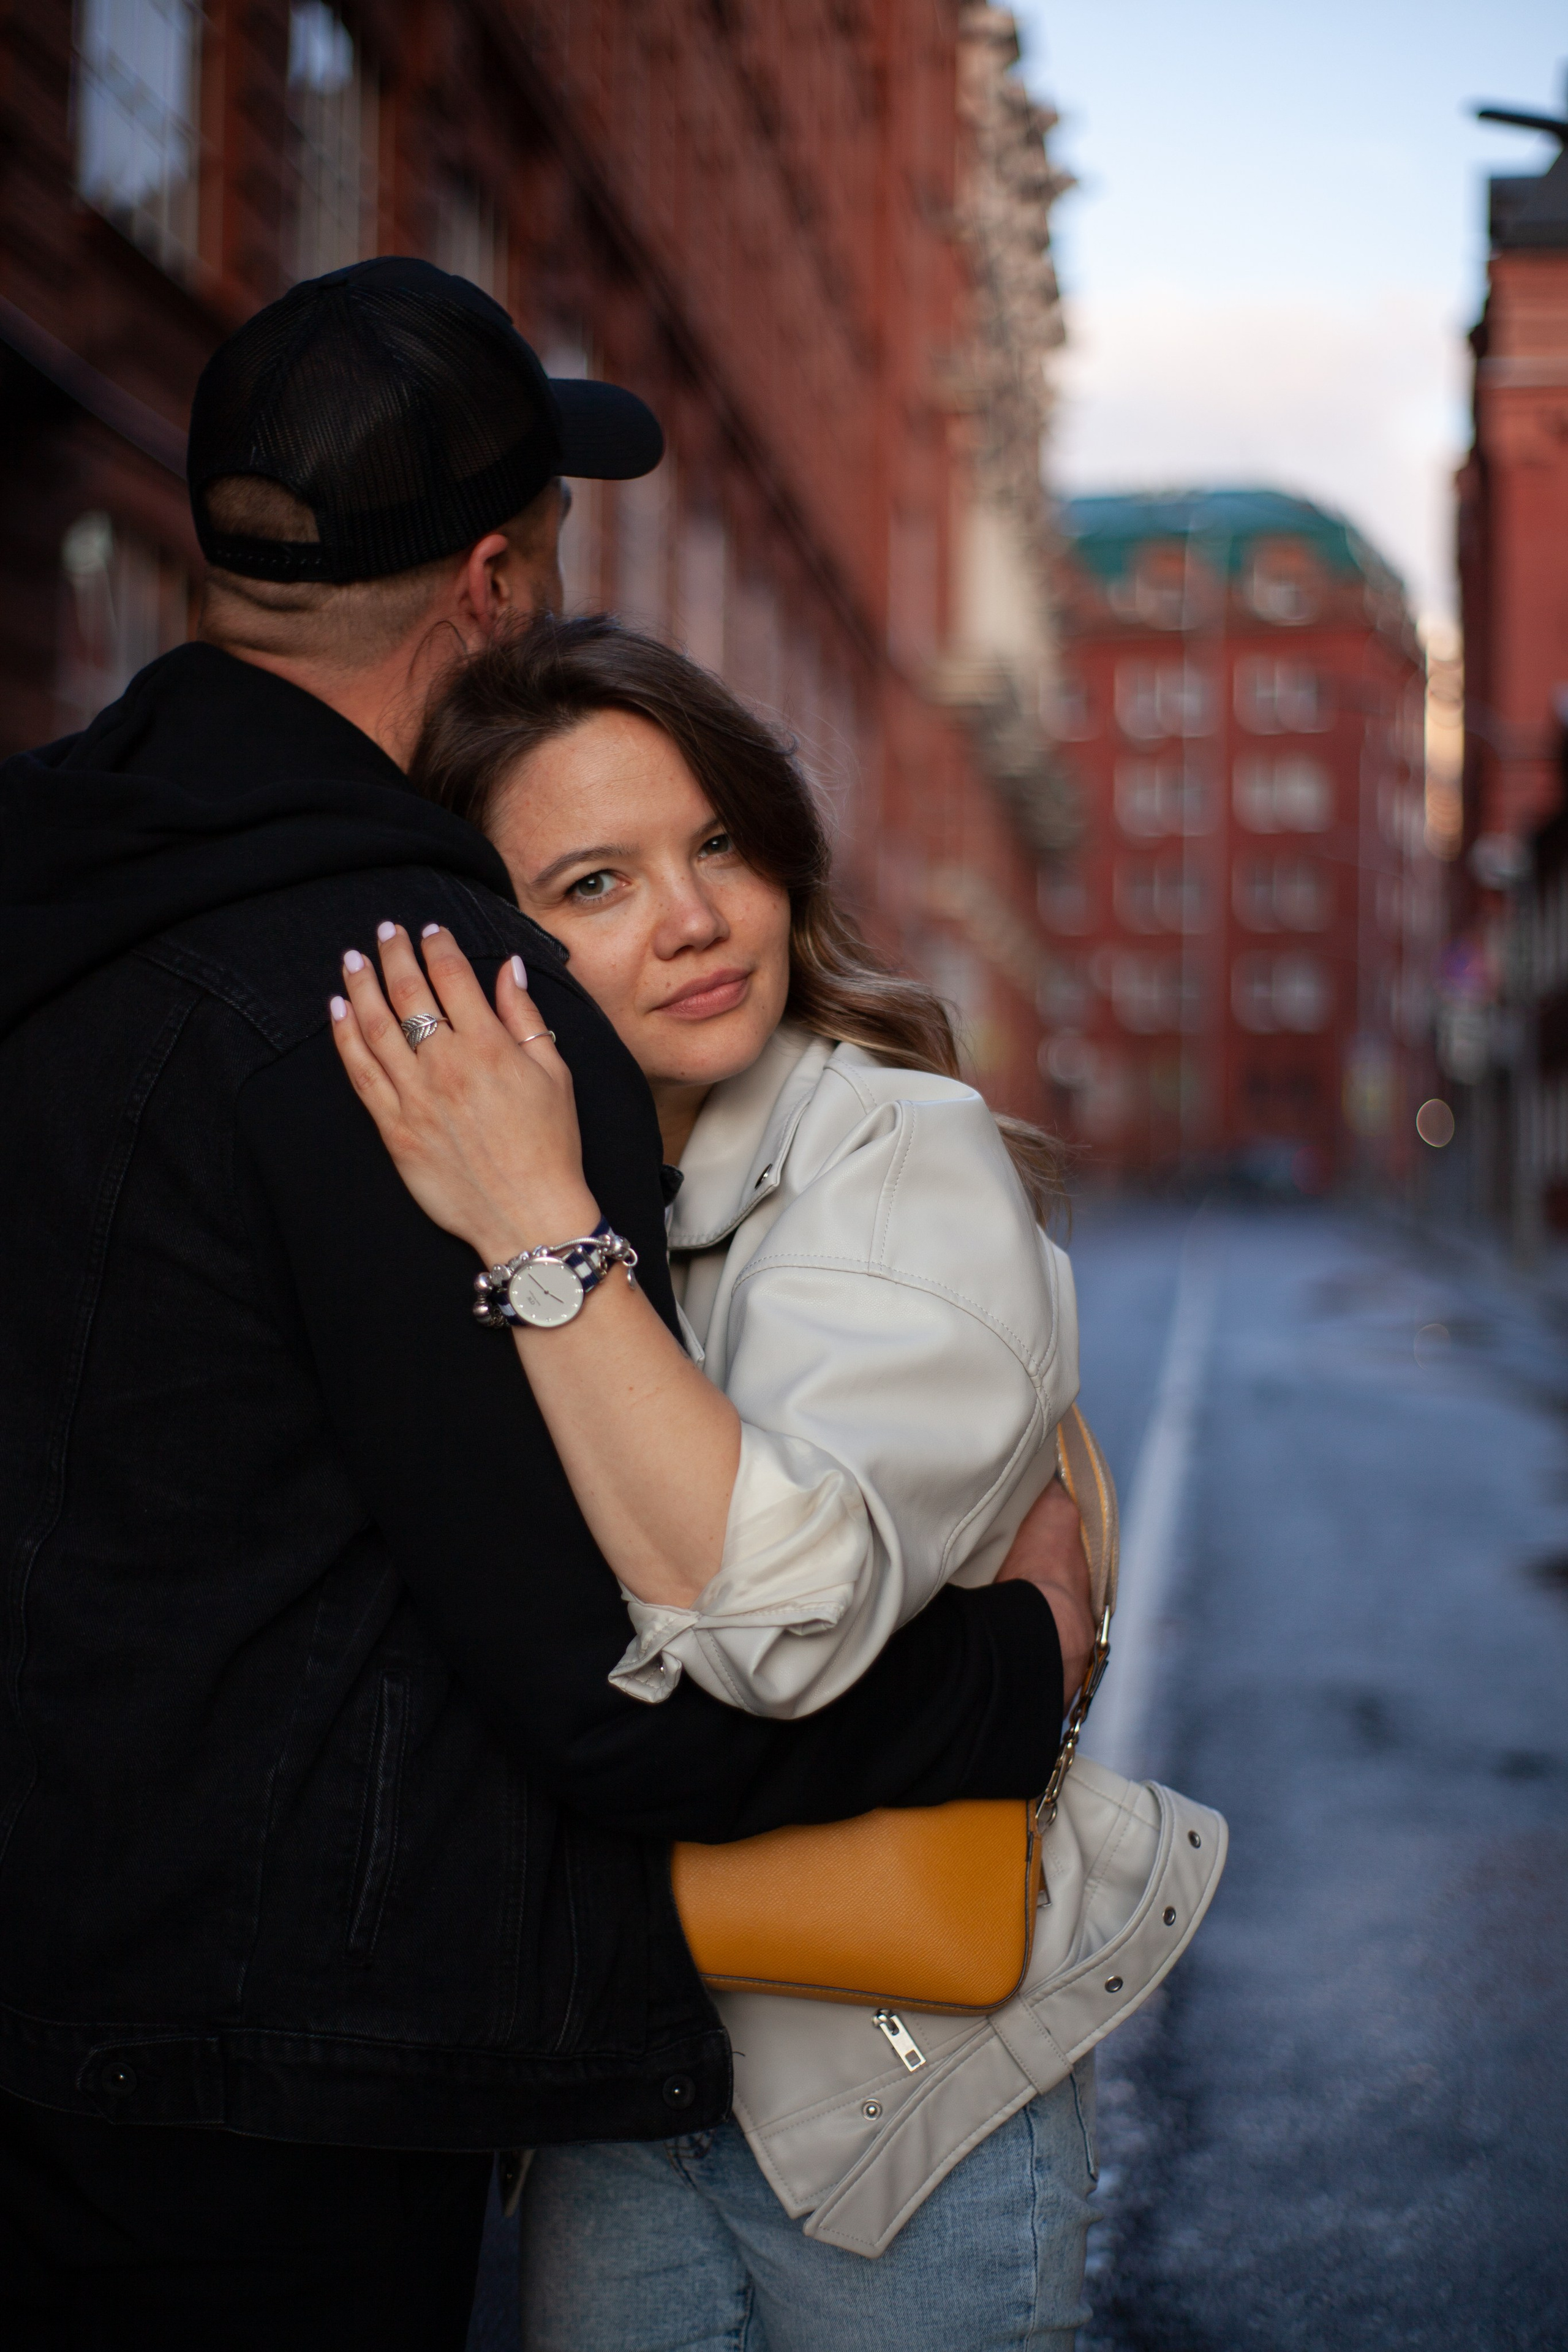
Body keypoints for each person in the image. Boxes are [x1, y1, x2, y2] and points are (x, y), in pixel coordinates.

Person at [0, 259, 1085, 2348]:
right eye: (596, 879)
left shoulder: (56, 885)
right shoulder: (443, 1009)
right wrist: (1015, 1668)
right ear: (495, 580)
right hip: (266, 2079)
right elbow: (613, 1686)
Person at [328, 616, 1101, 2350]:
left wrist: (537, 1230)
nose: (695, 919)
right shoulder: (539, 1182)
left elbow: (781, 1622)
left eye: (721, 845)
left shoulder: (892, 1150)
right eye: (595, 883)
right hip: (614, 2066)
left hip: (885, 2079)